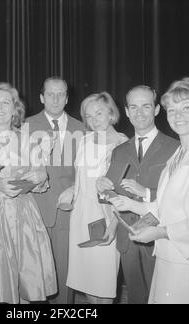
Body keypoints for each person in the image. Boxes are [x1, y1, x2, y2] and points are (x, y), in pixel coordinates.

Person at [110, 77, 189, 304]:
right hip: (168, 256)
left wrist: (160, 232)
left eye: (186, 108)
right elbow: (165, 206)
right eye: (172, 109)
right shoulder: (179, 156)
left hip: (188, 260)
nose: (177, 115)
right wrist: (130, 205)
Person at [0, 82, 57, 304]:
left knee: (25, 280)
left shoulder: (28, 140)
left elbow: (41, 185)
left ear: (14, 109)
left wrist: (40, 177)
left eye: (5, 102)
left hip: (24, 217)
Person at [96, 85, 179, 304]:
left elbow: (181, 199)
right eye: (133, 107)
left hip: (159, 238)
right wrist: (102, 187)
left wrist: (147, 193)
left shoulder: (176, 148)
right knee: (135, 298)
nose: (139, 113)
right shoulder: (119, 151)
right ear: (126, 111)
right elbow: (111, 196)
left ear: (157, 109)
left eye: (145, 106)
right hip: (128, 239)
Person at [58, 92, 128, 304]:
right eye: (89, 116)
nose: (94, 119)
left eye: (99, 112)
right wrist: (70, 191)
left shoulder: (122, 144)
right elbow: (83, 179)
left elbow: (123, 191)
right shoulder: (84, 141)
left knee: (104, 283)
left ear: (111, 113)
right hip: (80, 217)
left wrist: (114, 224)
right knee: (86, 280)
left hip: (106, 218)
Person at [25, 76, 84, 304]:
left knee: (63, 275)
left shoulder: (82, 128)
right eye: (51, 93)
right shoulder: (26, 126)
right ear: (41, 97)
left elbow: (87, 171)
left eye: (61, 94)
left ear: (67, 98)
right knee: (35, 277)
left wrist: (74, 188)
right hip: (34, 211)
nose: (56, 98)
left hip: (67, 211)